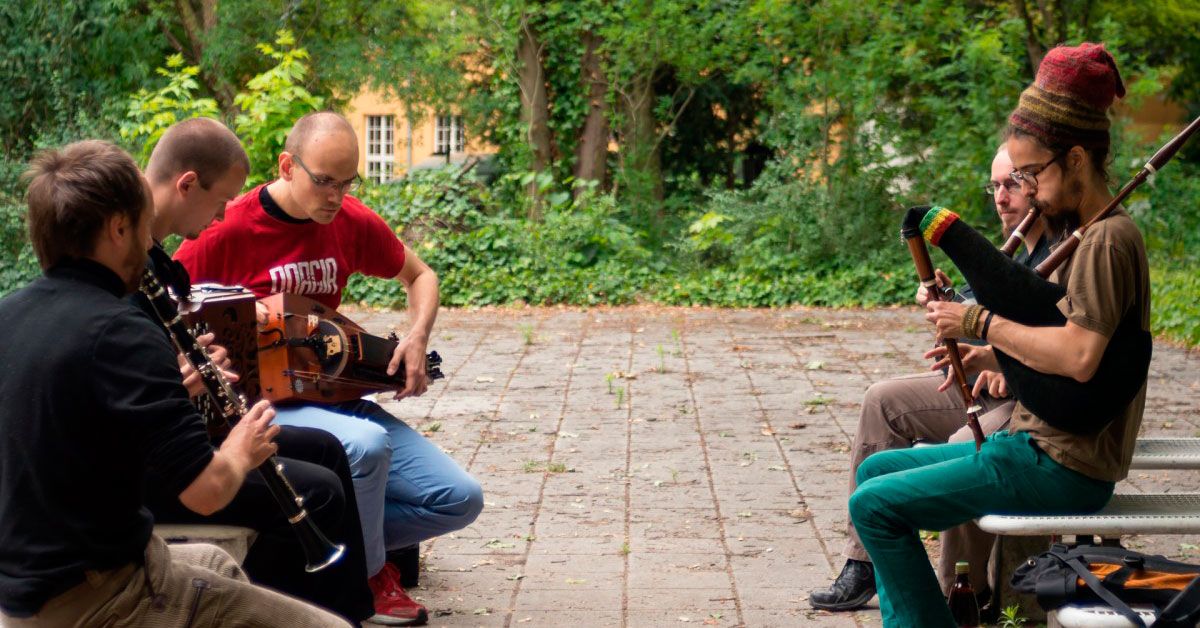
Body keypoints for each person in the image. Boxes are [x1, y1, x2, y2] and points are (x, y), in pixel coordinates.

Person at [849, 42, 1148, 627]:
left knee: (875, 507)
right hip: (1036, 449)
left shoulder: (1109, 239)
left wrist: (980, 323)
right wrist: (990, 346)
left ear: (1078, 159)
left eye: (1033, 174)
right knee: (873, 475)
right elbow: (1049, 324)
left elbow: (1081, 357)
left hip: (1062, 466)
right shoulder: (1088, 234)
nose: (1028, 190)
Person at [0, 139, 349, 627]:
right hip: (106, 598)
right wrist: (242, 448)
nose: (151, 246)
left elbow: (75, 424)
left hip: (31, 591)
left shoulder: (10, 314)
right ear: (120, 228)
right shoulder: (120, 330)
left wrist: (169, 391)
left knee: (217, 565)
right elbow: (206, 492)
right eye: (145, 228)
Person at [175, 111, 484, 623]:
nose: (335, 197)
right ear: (287, 165)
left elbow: (420, 275)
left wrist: (417, 335)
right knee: (366, 447)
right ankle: (366, 575)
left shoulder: (349, 220)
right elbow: (164, 299)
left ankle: (337, 543)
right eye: (323, 181)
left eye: (347, 183)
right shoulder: (226, 227)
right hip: (266, 410)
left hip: (333, 398)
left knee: (458, 499)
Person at [136, 117, 381, 625]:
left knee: (327, 449)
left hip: (175, 431)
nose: (226, 211)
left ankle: (352, 610)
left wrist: (196, 364)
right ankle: (308, 611)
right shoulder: (126, 267)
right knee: (319, 489)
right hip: (152, 460)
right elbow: (131, 385)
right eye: (222, 198)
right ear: (187, 184)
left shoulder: (152, 259)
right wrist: (178, 378)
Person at [809, 146, 1052, 611]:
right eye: (995, 186)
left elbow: (1065, 339)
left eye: (1013, 184)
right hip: (985, 385)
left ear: (1041, 184)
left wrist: (1003, 363)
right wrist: (945, 300)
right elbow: (974, 318)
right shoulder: (1013, 252)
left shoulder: (1065, 249)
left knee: (963, 444)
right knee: (883, 401)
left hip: (1030, 399)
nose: (1001, 198)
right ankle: (864, 565)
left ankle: (960, 596)